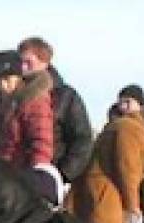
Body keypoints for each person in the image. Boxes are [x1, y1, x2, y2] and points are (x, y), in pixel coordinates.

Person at [0, 50, 59, 203]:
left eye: (7, 79)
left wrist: (37, 178)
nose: (3, 85)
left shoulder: (34, 100)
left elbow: (41, 141)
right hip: (4, 174)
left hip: (27, 176)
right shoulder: (1, 104)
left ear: (19, 76)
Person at [17, 37, 94, 185]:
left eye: (28, 62)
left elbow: (82, 138)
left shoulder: (65, 96)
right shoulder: (12, 95)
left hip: (49, 177)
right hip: (14, 179)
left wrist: (62, 175)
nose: (23, 67)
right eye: (20, 62)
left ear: (44, 61)